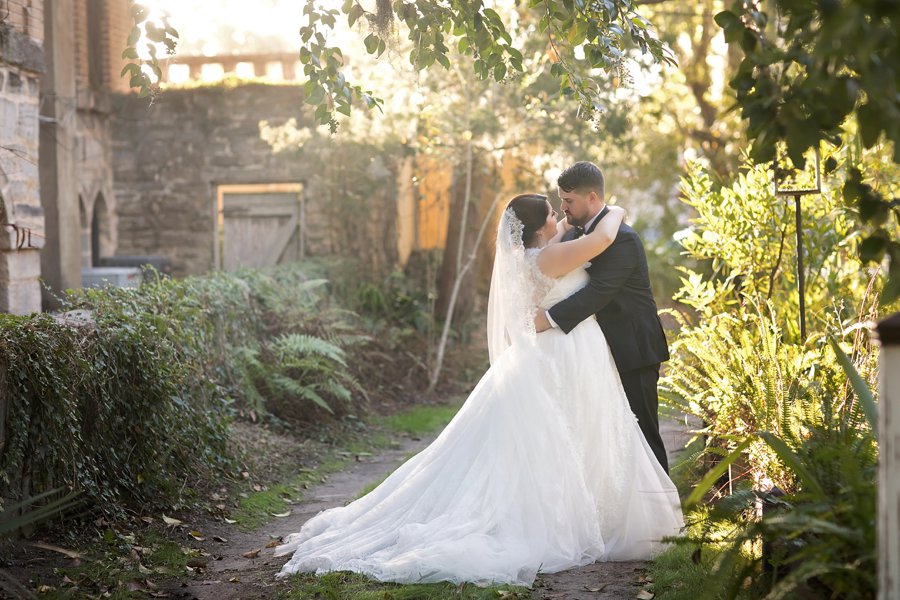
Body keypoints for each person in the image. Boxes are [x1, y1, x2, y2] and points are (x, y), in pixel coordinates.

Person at [274, 193, 683, 587]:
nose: (559, 215)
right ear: (540, 228)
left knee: (568, 433)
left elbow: (567, 245)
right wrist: (618, 210)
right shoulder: (552, 256)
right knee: (572, 431)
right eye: (551, 212)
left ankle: (585, 507)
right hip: (565, 351)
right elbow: (602, 239)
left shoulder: (535, 254)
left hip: (559, 349)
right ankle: (574, 514)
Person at [535, 161, 671, 472]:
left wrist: (548, 319)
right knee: (611, 438)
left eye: (568, 201)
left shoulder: (622, 238)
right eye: (561, 200)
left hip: (633, 349)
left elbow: (598, 292)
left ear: (592, 197)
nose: (563, 207)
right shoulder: (575, 235)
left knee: (643, 436)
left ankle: (662, 512)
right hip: (596, 352)